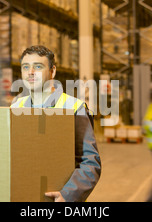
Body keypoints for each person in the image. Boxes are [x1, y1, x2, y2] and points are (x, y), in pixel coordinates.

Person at [10, 45, 101, 202]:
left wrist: (68, 195)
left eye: (38, 67)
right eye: (26, 67)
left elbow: (90, 161)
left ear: (53, 71)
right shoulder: (16, 107)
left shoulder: (73, 107)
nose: (30, 72)